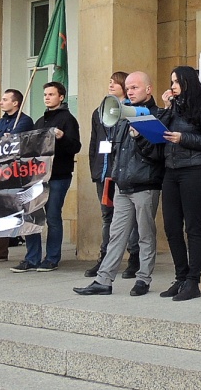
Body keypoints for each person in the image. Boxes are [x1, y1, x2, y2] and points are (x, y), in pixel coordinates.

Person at [74, 71, 163, 296]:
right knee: (116, 234)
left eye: (135, 87)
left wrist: (140, 136)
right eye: (129, 88)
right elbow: (116, 151)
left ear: (148, 89)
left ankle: (143, 279)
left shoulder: (155, 115)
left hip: (145, 185)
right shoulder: (124, 115)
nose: (130, 91)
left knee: (145, 234)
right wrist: (113, 179)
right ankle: (104, 280)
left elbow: (157, 154)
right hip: (123, 185)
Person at [156, 66, 201, 301]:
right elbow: (160, 133)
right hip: (171, 170)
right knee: (171, 226)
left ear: (188, 82)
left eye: (176, 81)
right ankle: (181, 277)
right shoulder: (173, 108)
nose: (172, 86)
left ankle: (193, 280)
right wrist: (165, 108)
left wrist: (183, 138)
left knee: (193, 226)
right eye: (171, 81)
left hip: (195, 170)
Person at [12, 81, 81, 273]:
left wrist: (62, 137)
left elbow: (75, 147)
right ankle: (32, 258)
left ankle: (51, 258)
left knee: (52, 216)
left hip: (58, 176)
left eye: (51, 94)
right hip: (37, 177)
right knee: (31, 216)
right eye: (45, 94)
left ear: (61, 97)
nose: (47, 97)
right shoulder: (40, 122)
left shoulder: (68, 120)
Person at [85, 71, 141, 279]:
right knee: (107, 216)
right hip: (104, 171)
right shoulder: (98, 112)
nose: (111, 85)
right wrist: (95, 169)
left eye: (115, 82)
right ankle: (105, 258)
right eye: (109, 81)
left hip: (123, 171)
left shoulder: (131, 110)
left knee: (130, 217)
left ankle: (133, 256)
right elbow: (94, 143)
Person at [0, 89, 34, 263]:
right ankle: (0, 249)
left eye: (5, 99)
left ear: (15, 103)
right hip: (0, 171)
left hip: (17, 172)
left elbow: (17, 143)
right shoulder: (1, 121)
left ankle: (29, 252)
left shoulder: (24, 121)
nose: (1, 103)